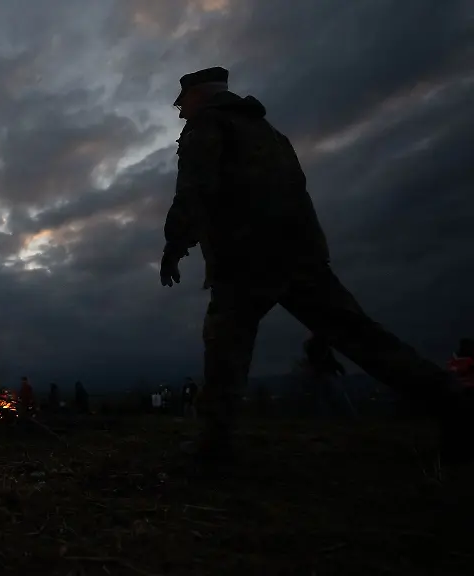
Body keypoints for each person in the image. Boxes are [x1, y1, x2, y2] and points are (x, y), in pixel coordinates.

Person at [160, 66, 472, 465]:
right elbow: (299, 196)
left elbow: (195, 189)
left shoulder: (207, 126)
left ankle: (213, 445)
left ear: (200, 95)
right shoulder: (272, 136)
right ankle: (454, 402)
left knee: (224, 349)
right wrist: (315, 256)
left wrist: (175, 245)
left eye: (182, 103)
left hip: (246, 259)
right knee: (363, 338)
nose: (181, 113)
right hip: (300, 256)